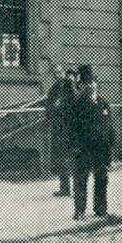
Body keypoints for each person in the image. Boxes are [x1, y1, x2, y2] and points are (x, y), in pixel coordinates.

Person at [69, 75, 116, 220]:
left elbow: (110, 127)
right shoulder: (78, 105)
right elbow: (72, 128)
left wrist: (111, 145)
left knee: (101, 179)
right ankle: (79, 211)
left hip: (101, 150)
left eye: (93, 83)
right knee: (81, 180)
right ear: (84, 86)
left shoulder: (104, 104)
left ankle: (101, 209)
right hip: (84, 149)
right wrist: (75, 146)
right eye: (87, 84)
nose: (90, 86)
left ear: (97, 85)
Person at [45, 66, 77, 196]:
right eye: (56, 72)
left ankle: (75, 189)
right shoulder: (55, 88)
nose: (58, 74)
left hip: (69, 128)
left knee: (70, 158)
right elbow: (48, 105)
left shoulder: (70, 86)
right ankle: (64, 188)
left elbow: (75, 104)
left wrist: (63, 106)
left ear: (64, 73)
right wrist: (53, 108)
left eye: (60, 72)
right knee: (59, 158)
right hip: (58, 128)